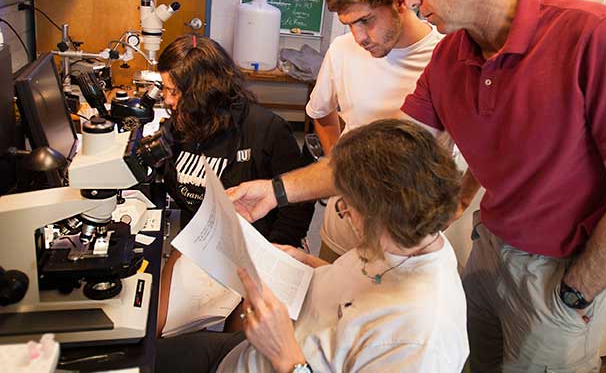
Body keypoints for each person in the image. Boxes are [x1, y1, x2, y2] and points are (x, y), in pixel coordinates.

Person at [229, 0, 606, 373]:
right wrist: (276, 191)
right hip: (490, 248)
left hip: (561, 273)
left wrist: (574, 292)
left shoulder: (595, 38)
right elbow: (381, 160)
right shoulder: (451, 58)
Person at [156, 119, 469, 373]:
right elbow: (360, 292)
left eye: (347, 204)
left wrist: (287, 358)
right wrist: (304, 262)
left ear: (381, 216)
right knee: (135, 357)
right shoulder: (402, 241)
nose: (342, 211)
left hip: (276, 353)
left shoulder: (420, 343)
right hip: (245, 354)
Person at [155, 34, 314, 334]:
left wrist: (273, 254)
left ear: (203, 92)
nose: (167, 100)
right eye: (165, 89)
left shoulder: (266, 130)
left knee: (237, 342)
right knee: (159, 333)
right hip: (200, 246)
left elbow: (297, 204)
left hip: (256, 253)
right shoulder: (179, 126)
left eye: (175, 92)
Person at [306, 0, 444, 261]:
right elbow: (322, 114)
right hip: (344, 225)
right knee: (330, 301)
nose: (358, 36)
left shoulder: (444, 56)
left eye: (366, 20)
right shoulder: (342, 51)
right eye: (349, 24)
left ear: (400, 0)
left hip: (409, 236)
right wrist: (342, 170)